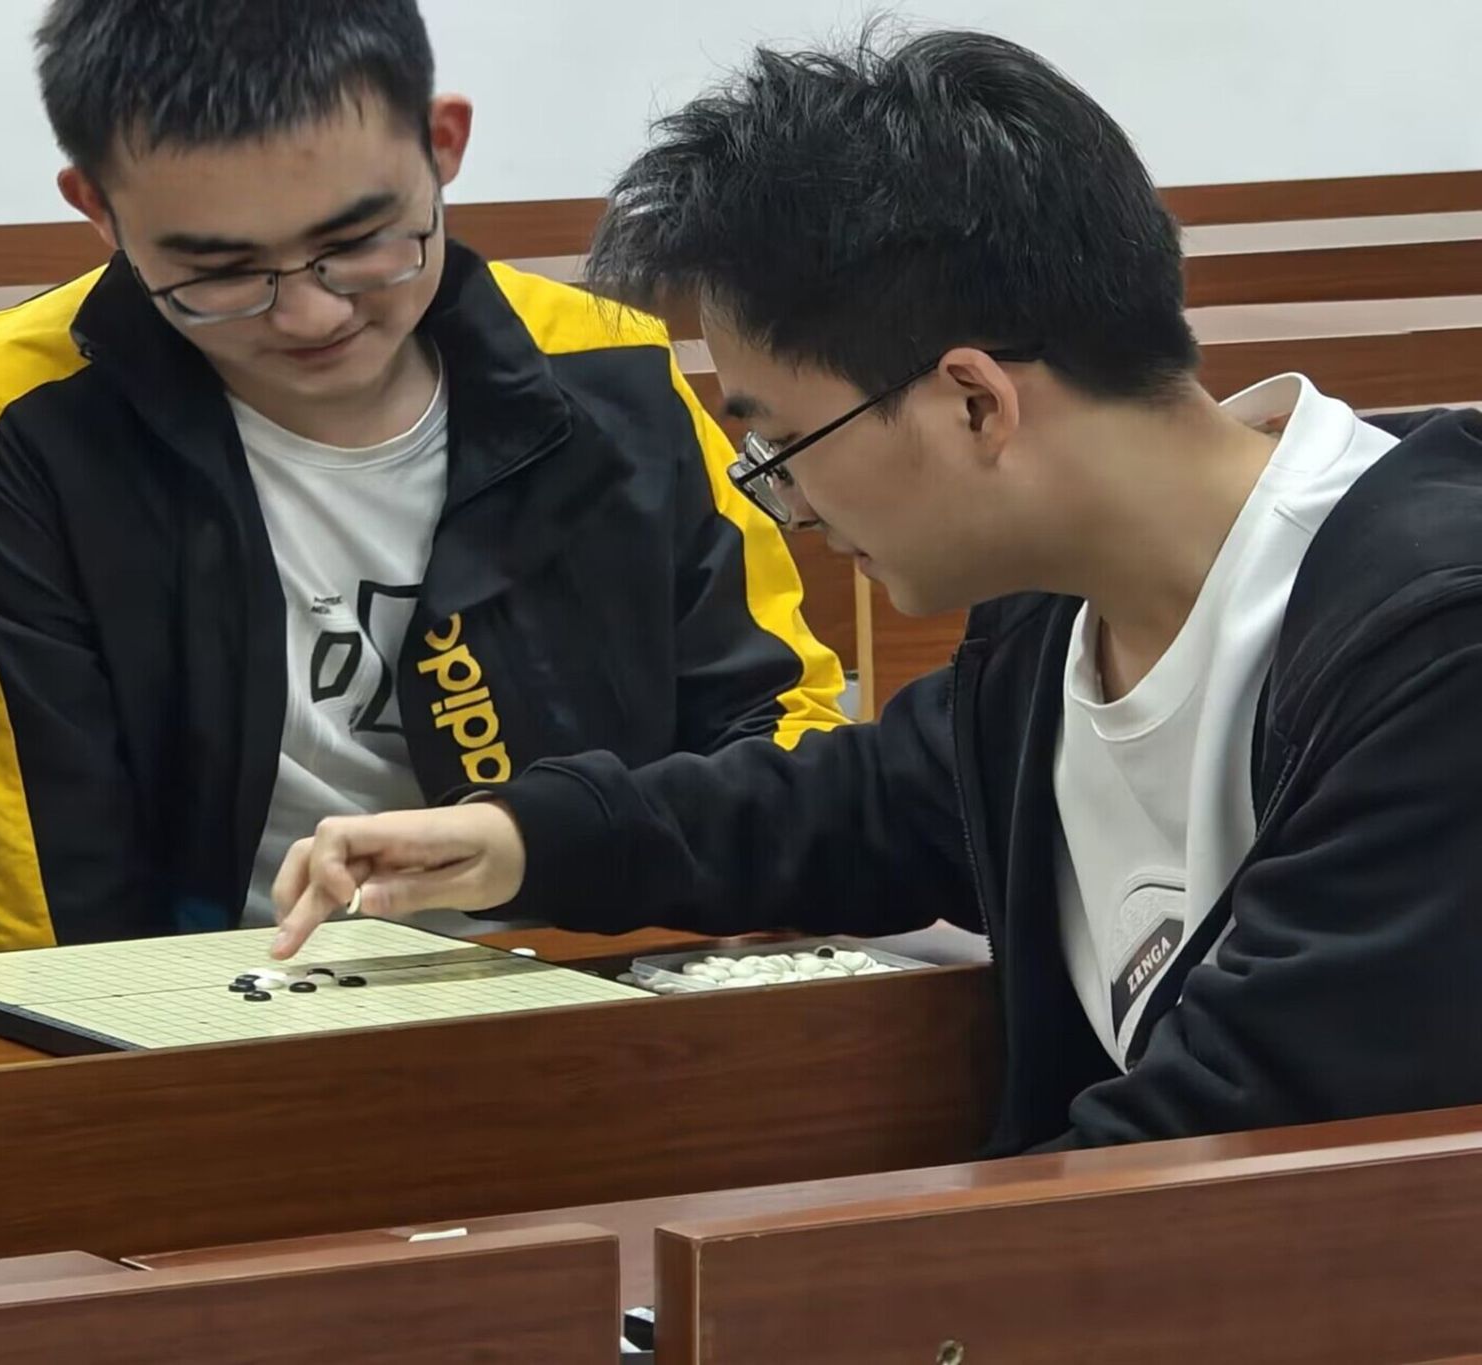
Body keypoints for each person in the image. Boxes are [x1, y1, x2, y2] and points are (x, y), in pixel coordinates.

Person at [272, 31, 1482, 1152]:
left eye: (779, 444)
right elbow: (859, 808)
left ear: (973, 402)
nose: (778, 500)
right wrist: (518, 840)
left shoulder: (1432, 646)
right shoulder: (1056, 614)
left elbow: (1249, 1129)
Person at [0, 0, 847, 953]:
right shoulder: (3, 423)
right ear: (98, 208)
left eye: (359, 244)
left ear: (441, 143)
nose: (310, 315)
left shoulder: (606, 369)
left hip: (619, 982)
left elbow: (772, 733)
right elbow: (49, 913)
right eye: (220, 272)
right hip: (213, 1017)